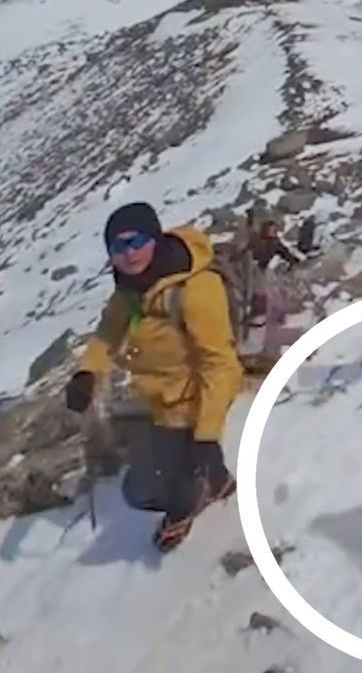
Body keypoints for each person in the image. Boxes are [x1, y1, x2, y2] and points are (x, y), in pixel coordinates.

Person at [65, 202, 242, 553]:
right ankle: (216, 480)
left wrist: (207, 434)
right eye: (118, 246)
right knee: (181, 463)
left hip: (193, 399)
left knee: (141, 492)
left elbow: (219, 365)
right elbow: (109, 331)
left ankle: (185, 505)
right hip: (156, 396)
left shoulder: (195, 289)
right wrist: (87, 372)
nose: (129, 254)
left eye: (137, 241)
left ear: (155, 239)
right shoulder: (132, 287)